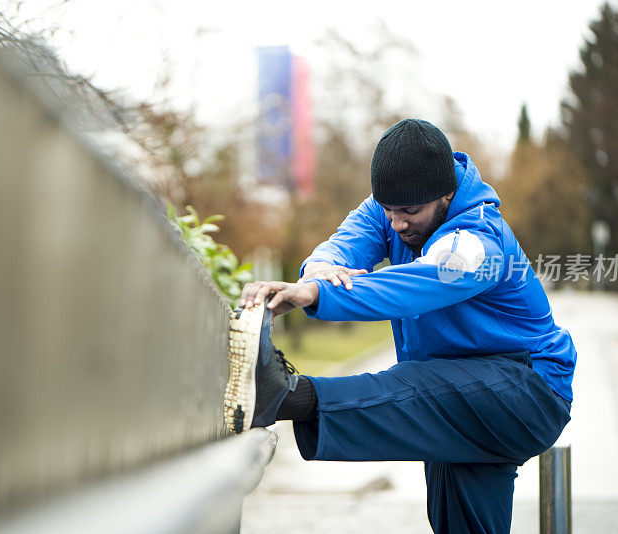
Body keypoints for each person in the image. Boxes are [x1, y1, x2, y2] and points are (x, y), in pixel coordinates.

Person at [223, 118, 575, 534]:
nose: (397, 224)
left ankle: (284, 395)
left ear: (446, 195)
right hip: (453, 391)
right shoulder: (389, 209)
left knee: (408, 383)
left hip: (525, 390)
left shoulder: (480, 240)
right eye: (389, 210)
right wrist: (318, 271)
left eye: (409, 212)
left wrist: (319, 297)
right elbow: (346, 242)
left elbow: (427, 279)